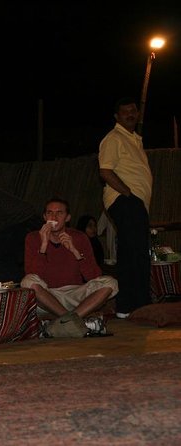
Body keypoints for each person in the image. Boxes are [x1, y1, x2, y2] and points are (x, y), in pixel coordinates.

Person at [21, 198, 118, 337]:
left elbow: (94, 276)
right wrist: (43, 245)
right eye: (50, 213)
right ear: (44, 217)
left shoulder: (79, 237)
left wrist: (76, 252)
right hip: (48, 296)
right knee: (27, 281)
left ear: (67, 218)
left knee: (111, 282)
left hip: (75, 294)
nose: (53, 217)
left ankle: (63, 322)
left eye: (59, 213)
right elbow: (33, 274)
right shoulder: (33, 238)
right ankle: (74, 320)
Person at [99, 97, 153, 319]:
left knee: (137, 251)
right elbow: (105, 171)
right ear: (117, 116)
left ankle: (137, 304)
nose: (130, 114)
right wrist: (128, 194)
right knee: (133, 252)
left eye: (133, 110)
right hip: (126, 200)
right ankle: (128, 305)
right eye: (125, 111)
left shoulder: (134, 140)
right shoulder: (114, 138)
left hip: (136, 203)